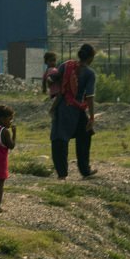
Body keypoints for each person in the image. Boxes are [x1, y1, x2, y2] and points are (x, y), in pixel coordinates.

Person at [50, 43, 97, 180]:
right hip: (77, 108)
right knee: (84, 136)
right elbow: (89, 97)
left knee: (59, 139)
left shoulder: (66, 65)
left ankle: (62, 174)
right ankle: (84, 170)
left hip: (62, 107)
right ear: (90, 57)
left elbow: (55, 80)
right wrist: (92, 118)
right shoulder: (89, 73)